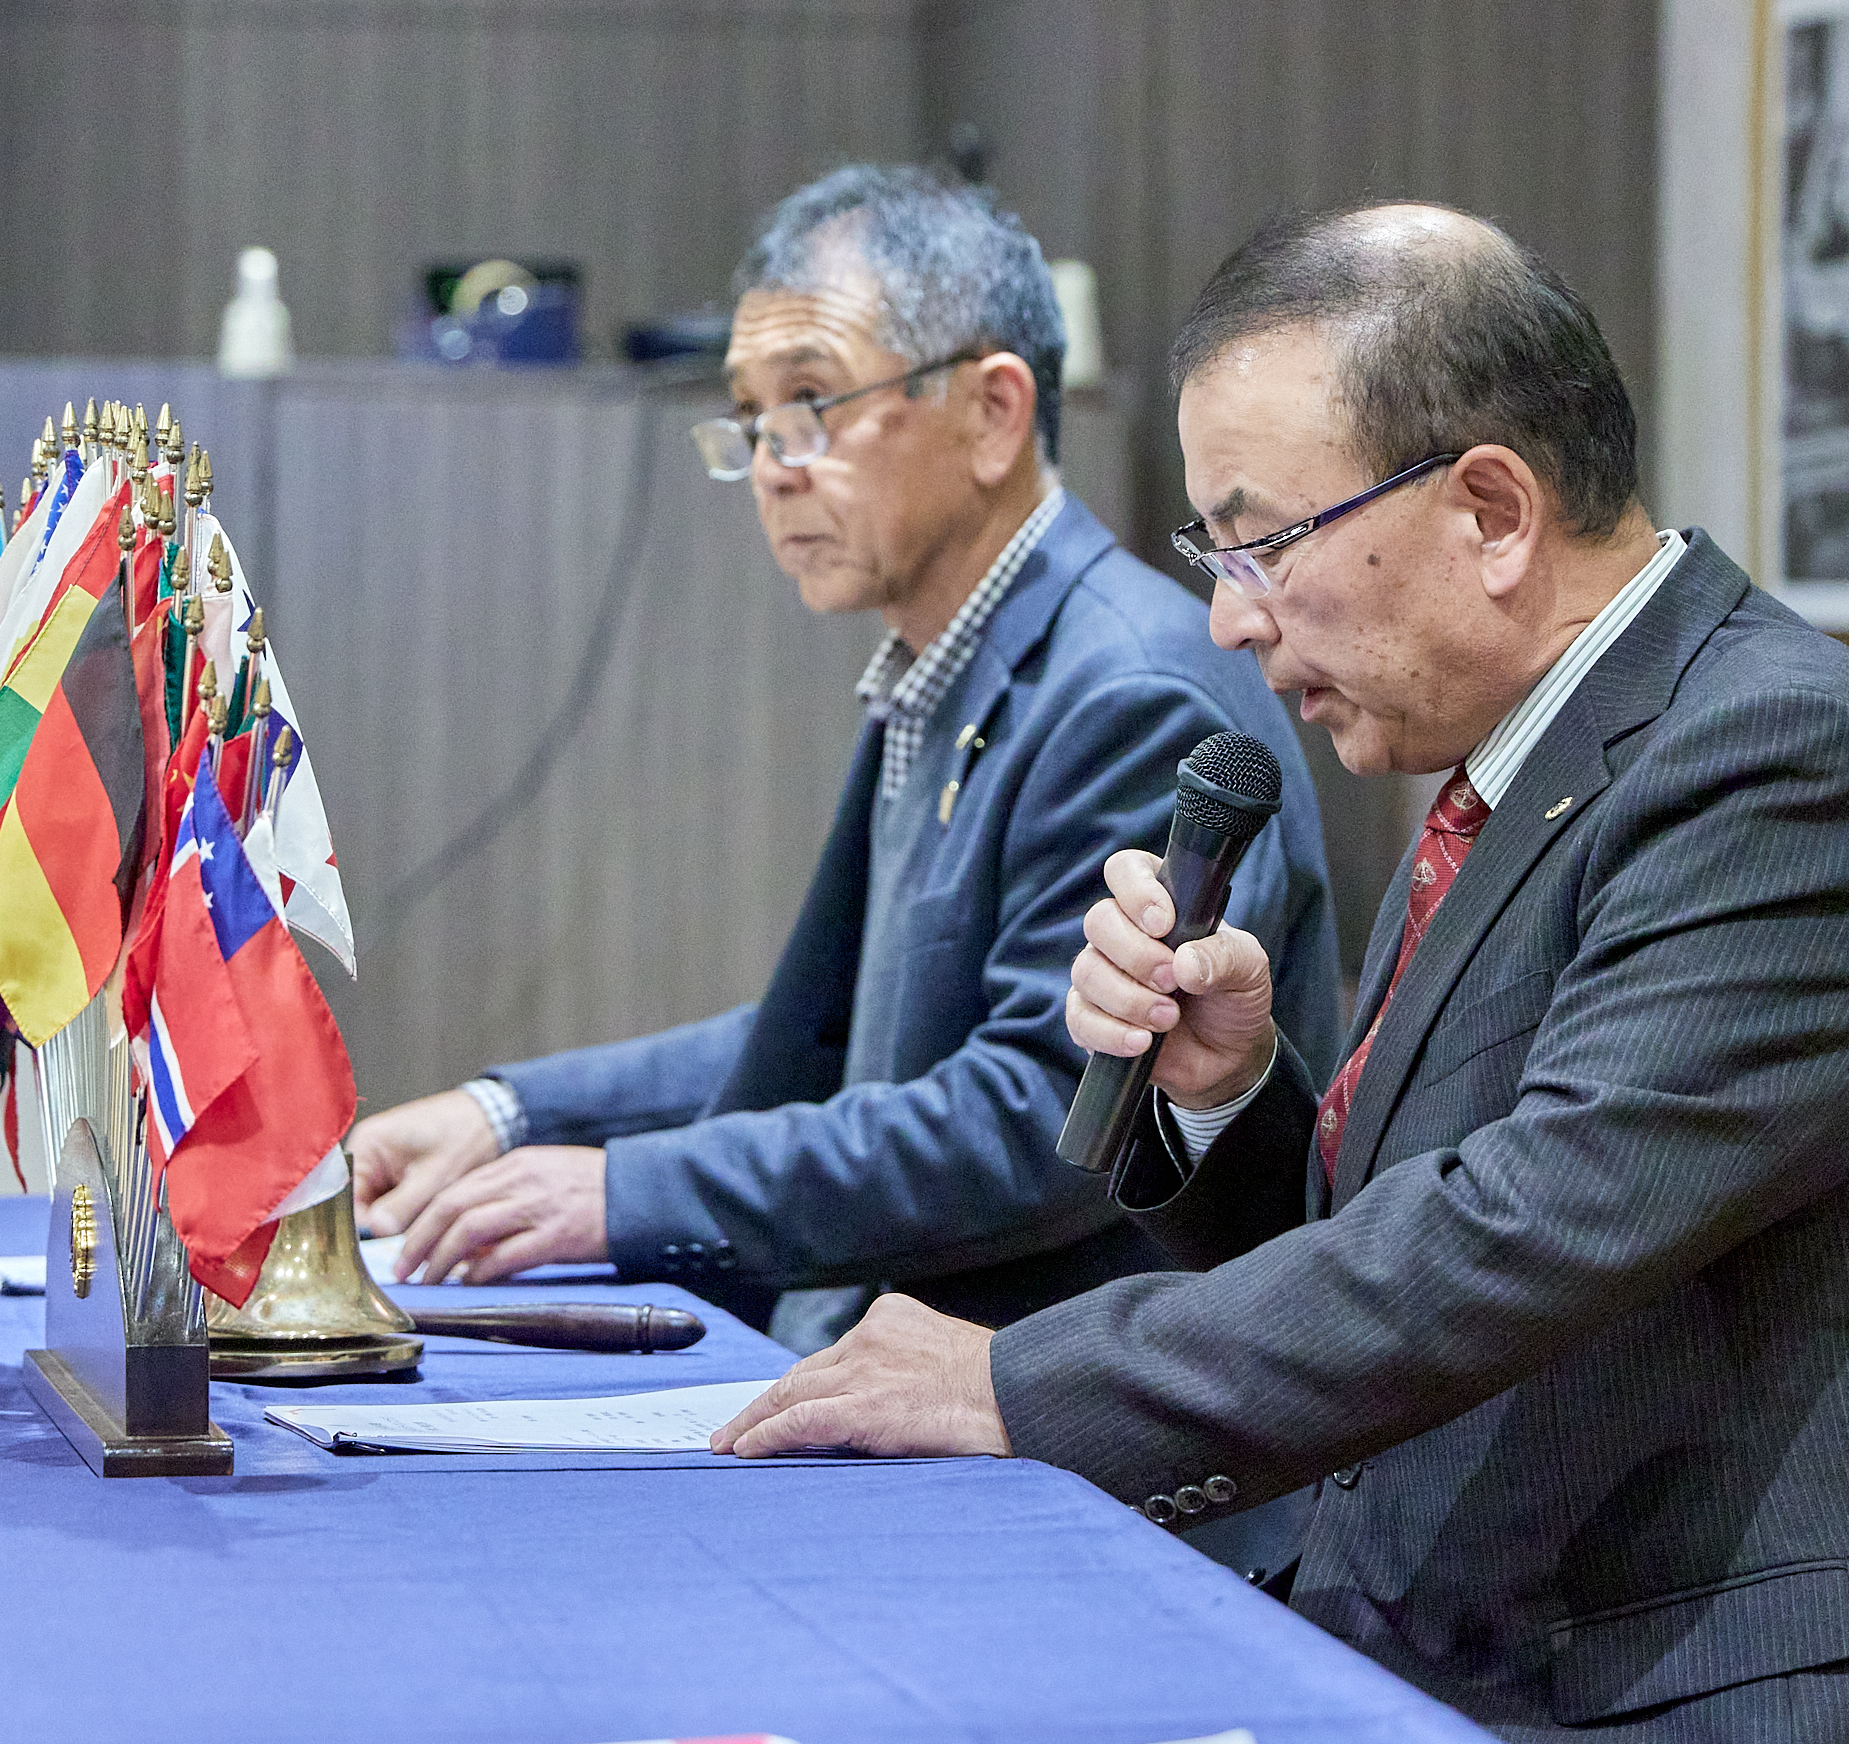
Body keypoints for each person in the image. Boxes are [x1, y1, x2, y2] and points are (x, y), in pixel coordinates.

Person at [713, 204, 1849, 1742]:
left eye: (1259, 541)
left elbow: (1515, 1241)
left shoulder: (1775, 762)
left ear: (1494, 511)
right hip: (1474, 1636)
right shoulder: (1509, 764)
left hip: (1733, 1687)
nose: (1232, 618)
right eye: (1211, 550)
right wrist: (1229, 1095)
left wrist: (1019, 1386)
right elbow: (1392, 1235)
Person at [350, 163, 1334, 1359]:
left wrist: (622, 1191)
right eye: (752, 418)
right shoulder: (953, 660)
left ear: (992, 412)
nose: (772, 464)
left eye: (811, 401)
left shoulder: (1129, 688)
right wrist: (508, 1114)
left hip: (1070, 1437)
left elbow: (1046, 1117)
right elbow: (839, 1033)